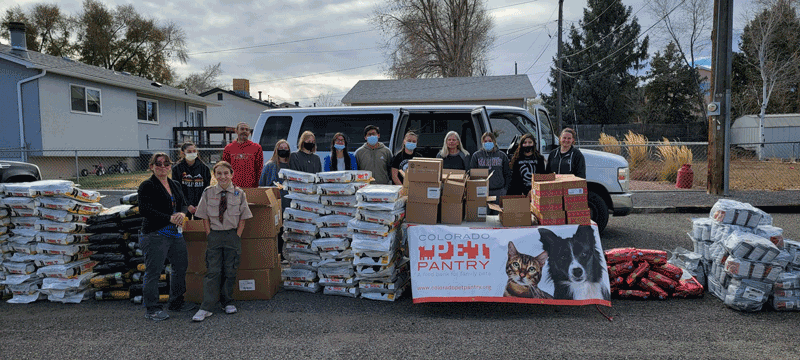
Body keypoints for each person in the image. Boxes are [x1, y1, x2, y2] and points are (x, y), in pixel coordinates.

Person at [191, 161, 253, 322]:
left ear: (232, 174)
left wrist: (237, 235)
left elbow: (243, 218)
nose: (223, 176)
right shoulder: (208, 192)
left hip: (232, 235)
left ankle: (227, 302)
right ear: (215, 175)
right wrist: (209, 234)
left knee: (230, 270)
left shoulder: (239, 193)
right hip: (215, 235)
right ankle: (207, 307)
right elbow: (204, 216)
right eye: (219, 173)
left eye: (226, 173)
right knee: (213, 271)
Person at [137, 153, 195, 321]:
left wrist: (182, 214)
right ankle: (152, 309)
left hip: (175, 233)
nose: (163, 167)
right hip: (155, 234)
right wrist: (169, 218)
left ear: (170, 166)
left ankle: (176, 302)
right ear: (151, 166)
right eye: (158, 163)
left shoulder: (174, 184)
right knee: (154, 272)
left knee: (180, 267)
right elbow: (144, 210)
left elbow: (183, 204)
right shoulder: (147, 185)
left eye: (166, 163)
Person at [172, 141, 211, 219]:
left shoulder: (204, 168)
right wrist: (187, 205)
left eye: (194, 151)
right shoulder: (177, 169)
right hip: (183, 206)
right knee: (184, 225)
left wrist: (199, 204)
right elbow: (177, 189)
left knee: (201, 226)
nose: (192, 153)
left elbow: (206, 188)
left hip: (200, 205)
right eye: (189, 152)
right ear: (183, 153)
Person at [469, 132, 512, 198]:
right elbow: (472, 174)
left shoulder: (502, 156)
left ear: (494, 142)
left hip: (499, 191)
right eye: (485, 141)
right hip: (482, 190)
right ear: (482, 142)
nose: (487, 143)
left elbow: (507, 174)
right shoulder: (476, 156)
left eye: (490, 141)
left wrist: (505, 189)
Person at [222, 122, 263, 188]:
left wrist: (257, 185)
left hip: (251, 187)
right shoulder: (228, 148)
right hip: (233, 187)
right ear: (236, 131)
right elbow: (225, 168)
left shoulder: (256, 148)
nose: (244, 131)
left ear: (249, 133)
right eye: (242, 129)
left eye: (247, 130)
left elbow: (259, 169)